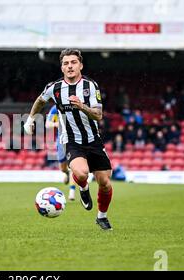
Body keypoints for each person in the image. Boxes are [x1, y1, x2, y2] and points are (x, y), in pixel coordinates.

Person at [24, 49, 114, 230]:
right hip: (72, 140)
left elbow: (98, 115)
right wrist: (31, 119)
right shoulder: (54, 87)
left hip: (93, 140)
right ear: (62, 68)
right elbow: (40, 101)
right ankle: (82, 187)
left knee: (105, 183)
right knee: (81, 173)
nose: (70, 66)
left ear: (80, 65)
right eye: (66, 63)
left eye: (73, 62)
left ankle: (101, 217)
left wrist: (82, 106)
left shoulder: (91, 86)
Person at [45, 104, 77, 201]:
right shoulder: (55, 108)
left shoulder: (75, 106)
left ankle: (72, 191)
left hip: (75, 140)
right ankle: (66, 173)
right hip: (61, 141)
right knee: (63, 168)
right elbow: (47, 124)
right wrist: (56, 124)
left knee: (73, 167)